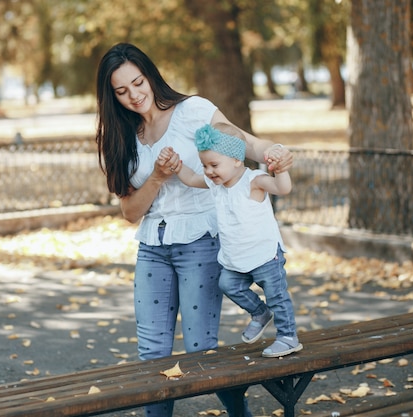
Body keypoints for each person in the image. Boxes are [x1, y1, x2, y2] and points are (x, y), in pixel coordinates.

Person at [95, 42, 292, 417]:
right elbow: (129, 212)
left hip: (201, 242)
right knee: (151, 354)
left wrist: (276, 153)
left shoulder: (193, 111)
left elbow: (247, 144)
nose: (134, 95)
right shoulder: (120, 137)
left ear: (150, 76)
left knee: (202, 352)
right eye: (121, 91)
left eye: (138, 83)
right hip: (153, 247)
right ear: (111, 96)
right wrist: (156, 177)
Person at [160, 122, 302, 358]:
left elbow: (282, 187)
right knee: (227, 284)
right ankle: (260, 312)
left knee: (277, 295)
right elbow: (191, 179)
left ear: (237, 160)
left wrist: (281, 170)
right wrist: (176, 165)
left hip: (264, 255)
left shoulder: (254, 181)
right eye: (205, 165)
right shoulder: (216, 185)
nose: (208, 171)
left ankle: (288, 337)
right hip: (236, 257)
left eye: (214, 165)